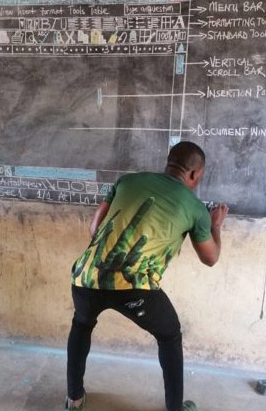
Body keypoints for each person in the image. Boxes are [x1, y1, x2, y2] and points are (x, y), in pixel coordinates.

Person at [65, 141, 229, 411]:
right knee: (169, 336)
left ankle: (74, 400)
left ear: (168, 163)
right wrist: (216, 226)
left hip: (86, 277)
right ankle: (174, 408)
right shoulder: (196, 208)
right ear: (194, 174)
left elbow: (95, 229)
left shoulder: (127, 181)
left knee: (81, 325)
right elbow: (210, 258)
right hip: (134, 287)